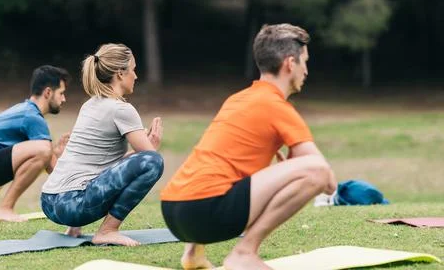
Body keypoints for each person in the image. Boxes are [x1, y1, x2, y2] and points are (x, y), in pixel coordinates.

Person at [161, 24, 337, 270]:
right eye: (304, 61)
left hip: (172, 211)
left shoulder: (238, 99)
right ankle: (244, 253)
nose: (306, 70)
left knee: (221, 167)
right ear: (289, 64)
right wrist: (295, 167)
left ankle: (193, 254)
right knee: (316, 171)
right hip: (206, 213)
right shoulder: (278, 107)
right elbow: (327, 182)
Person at [41, 43, 164, 246]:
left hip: (49, 202)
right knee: (153, 162)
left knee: (146, 160)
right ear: (120, 74)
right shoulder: (121, 109)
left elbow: (102, 163)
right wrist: (152, 148)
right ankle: (107, 231)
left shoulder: (90, 104)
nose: (136, 76)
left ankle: (74, 228)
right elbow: (147, 160)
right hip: (71, 204)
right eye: (133, 69)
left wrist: (137, 153)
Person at [0, 65, 71, 222]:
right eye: (61, 93)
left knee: (16, 152)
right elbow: (50, 164)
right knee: (42, 150)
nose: (64, 99)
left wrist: (53, 155)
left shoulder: (23, 109)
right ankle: (5, 208)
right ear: (48, 92)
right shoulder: (32, 117)